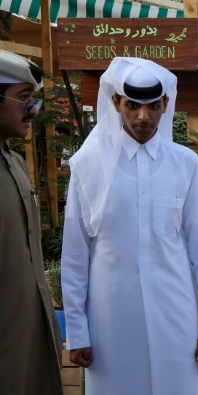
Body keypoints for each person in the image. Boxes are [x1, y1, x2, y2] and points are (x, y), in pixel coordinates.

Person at [61, 57, 198, 395]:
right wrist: (77, 330)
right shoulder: (89, 165)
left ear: (165, 105)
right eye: (132, 105)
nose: (142, 117)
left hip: (176, 322)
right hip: (110, 325)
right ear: (116, 102)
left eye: (152, 106)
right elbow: (75, 253)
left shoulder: (185, 165)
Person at [0, 49, 64, 395]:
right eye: (24, 98)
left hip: (28, 341)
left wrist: (50, 333)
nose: (34, 110)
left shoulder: (14, 161)